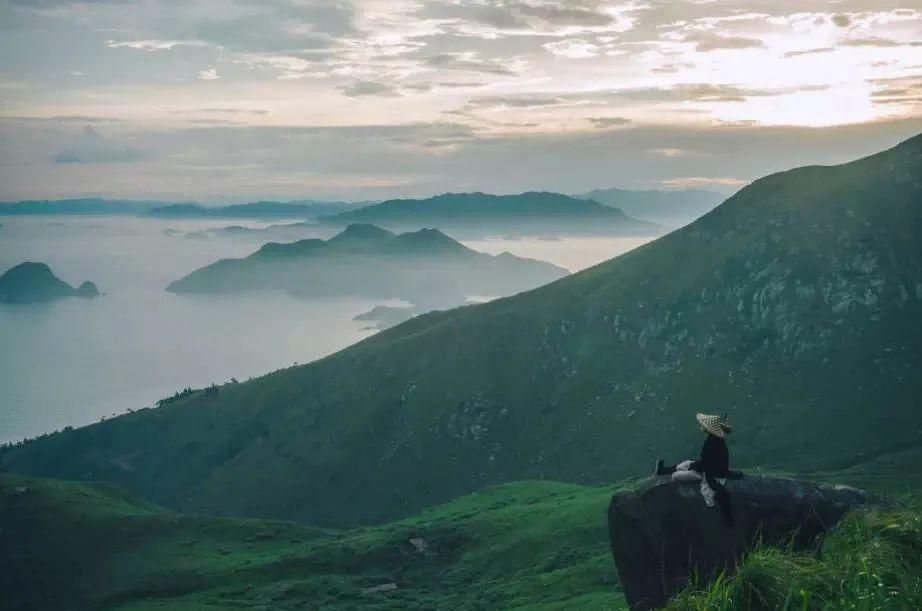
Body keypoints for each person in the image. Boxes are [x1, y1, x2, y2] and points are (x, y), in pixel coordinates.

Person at [655, 413, 740, 526]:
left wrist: (700, 470)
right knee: (686, 463)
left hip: (707, 474)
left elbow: (709, 466)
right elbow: (710, 462)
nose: (702, 426)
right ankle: (662, 470)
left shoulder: (710, 443)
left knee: (675, 476)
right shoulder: (716, 441)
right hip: (708, 469)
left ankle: (664, 471)